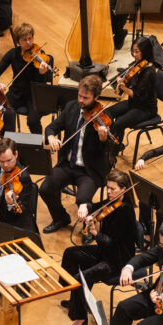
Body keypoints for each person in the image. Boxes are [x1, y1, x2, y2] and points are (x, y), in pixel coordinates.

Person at [60, 170, 137, 325]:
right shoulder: (112, 202)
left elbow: (111, 243)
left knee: (82, 277)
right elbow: (94, 206)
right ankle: (77, 298)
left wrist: (95, 233)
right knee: (70, 253)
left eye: (113, 189)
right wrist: (84, 206)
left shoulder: (125, 211)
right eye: (108, 188)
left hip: (117, 261)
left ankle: (80, 319)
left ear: (123, 189)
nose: (108, 192)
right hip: (105, 252)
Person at [39, 75, 112, 233]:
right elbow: (51, 127)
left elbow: (109, 150)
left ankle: (88, 228)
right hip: (67, 165)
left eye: (86, 98)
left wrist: (103, 138)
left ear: (96, 97)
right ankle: (61, 218)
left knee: (82, 201)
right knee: (45, 188)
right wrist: (51, 137)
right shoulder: (71, 107)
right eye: (79, 95)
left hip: (89, 171)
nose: (81, 100)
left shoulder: (104, 117)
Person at [0, 22, 54, 134]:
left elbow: (43, 82)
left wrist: (42, 72)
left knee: (32, 121)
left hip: (34, 95)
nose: (29, 42)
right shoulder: (13, 54)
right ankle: (7, 142)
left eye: (30, 38)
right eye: (24, 39)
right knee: (1, 113)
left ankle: (38, 146)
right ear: (17, 41)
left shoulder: (40, 54)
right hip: (16, 93)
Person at [105, 36, 158, 144]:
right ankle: (110, 144)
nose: (134, 55)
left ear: (145, 51)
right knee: (107, 112)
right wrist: (109, 82)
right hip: (133, 103)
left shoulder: (149, 72)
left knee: (119, 123)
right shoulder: (139, 63)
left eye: (137, 52)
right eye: (133, 51)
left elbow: (138, 96)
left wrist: (124, 88)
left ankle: (112, 151)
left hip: (145, 108)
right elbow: (125, 73)